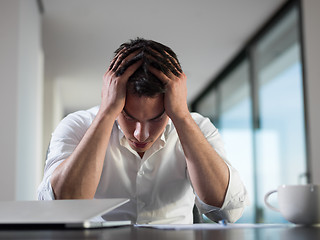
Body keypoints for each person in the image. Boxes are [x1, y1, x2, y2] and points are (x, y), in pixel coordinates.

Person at [38, 38, 249, 224]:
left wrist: (182, 116)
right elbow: (59, 209)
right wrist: (107, 112)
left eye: (156, 118)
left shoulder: (198, 126)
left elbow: (228, 212)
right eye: (128, 117)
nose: (141, 134)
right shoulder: (77, 125)